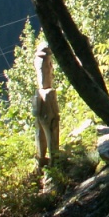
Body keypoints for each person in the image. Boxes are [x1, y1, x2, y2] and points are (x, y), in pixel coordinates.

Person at [32, 40, 60, 168]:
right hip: (48, 114)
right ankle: (54, 159)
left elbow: (35, 111)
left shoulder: (38, 93)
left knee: (41, 133)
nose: (50, 69)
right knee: (51, 133)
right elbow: (54, 110)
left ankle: (42, 158)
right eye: (49, 65)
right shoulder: (48, 93)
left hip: (41, 111)